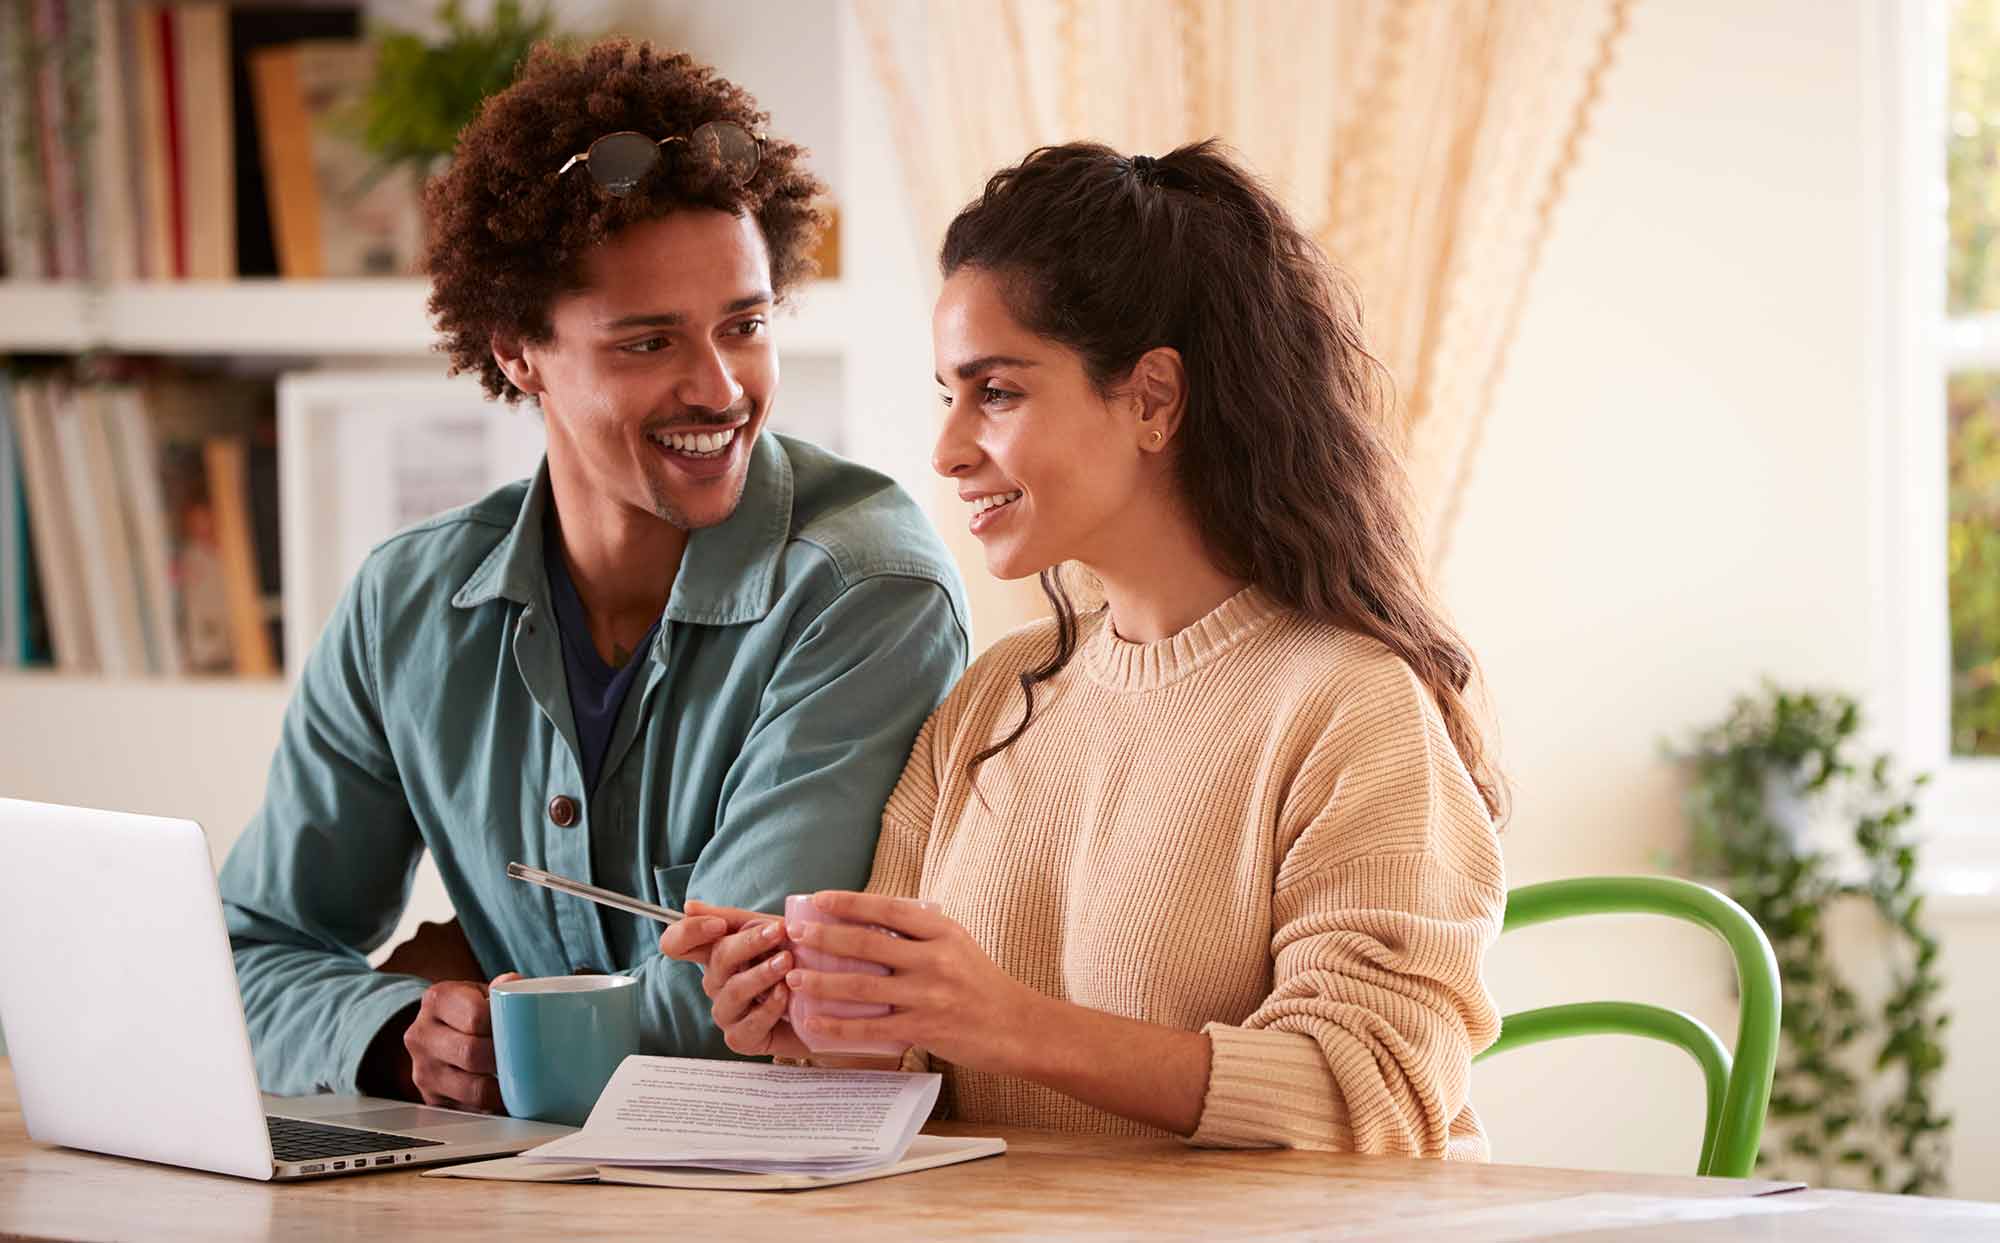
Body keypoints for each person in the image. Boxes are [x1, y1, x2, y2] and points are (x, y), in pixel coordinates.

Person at [664, 141, 1507, 1159]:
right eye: (948, 395)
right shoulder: (993, 694)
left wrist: (1004, 1021)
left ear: (1152, 398)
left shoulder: (1350, 704)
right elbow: (916, 1091)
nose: (948, 448)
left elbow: (1369, 1093)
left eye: (998, 392)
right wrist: (821, 1034)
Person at [217, 40, 969, 1111]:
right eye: (647, 342)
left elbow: (737, 1012)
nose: (719, 389)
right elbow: (247, 960)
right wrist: (395, 1032)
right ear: (518, 349)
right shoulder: (406, 606)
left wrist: (496, 1024)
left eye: (743, 326)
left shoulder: (861, 592)